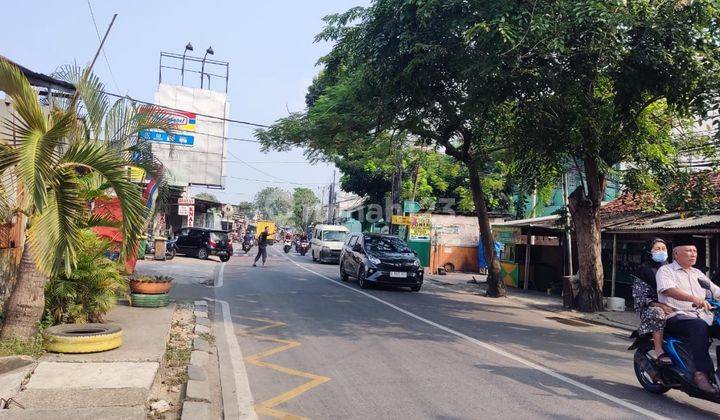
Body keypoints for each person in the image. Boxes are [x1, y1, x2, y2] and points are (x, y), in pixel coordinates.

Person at [657, 239, 720, 394]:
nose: (693, 254)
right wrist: (694, 299)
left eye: (695, 251)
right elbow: (668, 290)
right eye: (688, 251)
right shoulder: (666, 271)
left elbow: (716, 291)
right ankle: (701, 374)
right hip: (676, 316)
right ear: (676, 254)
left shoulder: (698, 273)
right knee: (699, 326)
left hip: (702, 316)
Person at [632, 238, 673, 364]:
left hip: (672, 304)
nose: (661, 251)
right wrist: (658, 304)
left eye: (663, 249)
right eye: (657, 249)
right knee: (658, 313)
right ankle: (659, 349)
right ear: (650, 252)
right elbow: (640, 296)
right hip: (651, 307)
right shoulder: (643, 270)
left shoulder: (671, 268)